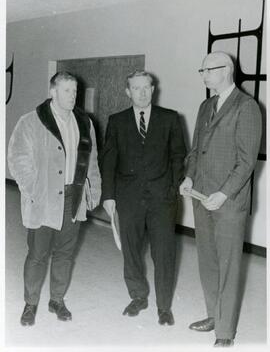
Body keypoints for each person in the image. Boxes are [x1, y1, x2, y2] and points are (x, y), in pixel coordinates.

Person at [179, 52, 262, 347]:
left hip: (228, 202)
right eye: (201, 69)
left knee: (227, 266)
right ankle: (214, 315)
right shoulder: (205, 106)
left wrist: (224, 193)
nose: (202, 74)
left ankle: (225, 332)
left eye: (207, 69)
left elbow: (246, 161)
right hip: (201, 196)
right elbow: (195, 150)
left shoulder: (247, 107)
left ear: (225, 70)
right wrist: (189, 177)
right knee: (208, 263)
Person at [8, 71, 101, 326]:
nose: (73, 96)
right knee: (38, 254)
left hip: (73, 195)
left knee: (65, 253)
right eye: (67, 90)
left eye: (75, 91)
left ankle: (56, 300)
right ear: (53, 92)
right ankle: (31, 303)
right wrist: (35, 190)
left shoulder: (85, 123)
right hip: (44, 198)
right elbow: (17, 158)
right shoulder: (31, 121)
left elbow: (91, 161)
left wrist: (93, 190)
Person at [101, 70, 186, 325]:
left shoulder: (170, 118)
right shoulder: (116, 121)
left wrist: (172, 188)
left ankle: (164, 306)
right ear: (128, 91)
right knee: (131, 251)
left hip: (162, 199)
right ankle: (138, 296)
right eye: (136, 88)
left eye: (146, 87)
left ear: (153, 89)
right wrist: (109, 196)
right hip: (128, 199)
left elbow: (178, 156)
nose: (141, 92)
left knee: (164, 253)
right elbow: (109, 161)